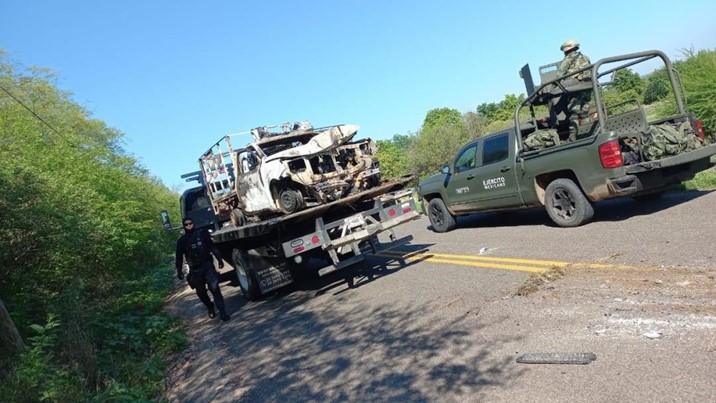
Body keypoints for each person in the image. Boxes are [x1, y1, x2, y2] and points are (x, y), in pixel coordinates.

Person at [175, 218, 230, 321]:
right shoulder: (182, 241)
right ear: (184, 226)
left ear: (193, 224)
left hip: (207, 265)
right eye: (186, 224)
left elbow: (212, 247)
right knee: (201, 293)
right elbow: (179, 257)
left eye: (190, 223)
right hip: (195, 270)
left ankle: (223, 312)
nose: (189, 226)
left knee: (214, 288)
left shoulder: (202, 233)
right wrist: (179, 270)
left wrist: (219, 259)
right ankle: (210, 306)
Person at [556, 39, 592, 141]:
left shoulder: (567, 60)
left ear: (566, 50)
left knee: (574, 113)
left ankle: (573, 137)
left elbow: (559, 75)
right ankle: (587, 133)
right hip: (588, 86)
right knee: (584, 111)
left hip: (576, 88)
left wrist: (552, 88)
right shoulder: (586, 57)